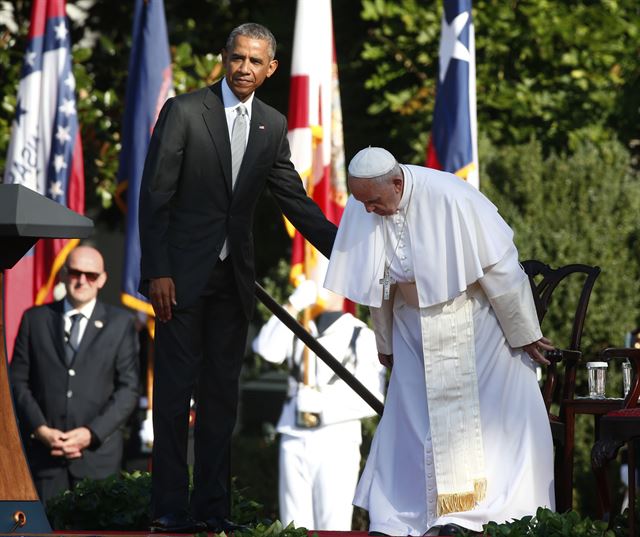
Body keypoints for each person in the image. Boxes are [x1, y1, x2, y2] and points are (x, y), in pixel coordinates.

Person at [138, 23, 337, 534]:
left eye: (256, 62)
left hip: (233, 283)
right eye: (238, 58)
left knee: (222, 398)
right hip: (178, 281)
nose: (245, 68)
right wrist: (156, 270)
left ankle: (212, 512)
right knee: (175, 393)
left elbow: (294, 200)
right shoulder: (184, 111)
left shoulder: (272, 122)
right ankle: (167, 510)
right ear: (225, 58)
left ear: (271, 69)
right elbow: (155, 197)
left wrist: (347, 249)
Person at [324, 147, 555, 536]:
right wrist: (386, 343)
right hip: (412, 329)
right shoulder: (367, 204)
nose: (367, 212)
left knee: (495, 415)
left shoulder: (452, 196)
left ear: (397, 183)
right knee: (412, 421)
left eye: (375, 202)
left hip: (472, 323)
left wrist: (525, 333)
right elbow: (376, 285)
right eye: (361, 202)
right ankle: (408, 517)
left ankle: (483, 515)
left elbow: (501, 270)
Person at [10, 245, 140, 505]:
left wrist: (91, 433)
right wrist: (41, 429)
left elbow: (128, 389)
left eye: (91, 275)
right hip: (44, 459)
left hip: (98, 461)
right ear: (63, 274)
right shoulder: (35, 319)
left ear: (102, 279)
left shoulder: (121, 323)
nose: (82, 281)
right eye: (75, 273)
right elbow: (17, 382)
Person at [252, 279, 386, 530]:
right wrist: (293, 304)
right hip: (294, 435)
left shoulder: (360, 335)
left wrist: (323, 407)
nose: (319, 288)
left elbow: (374, 399)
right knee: (293, 526)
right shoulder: (299, 327)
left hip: (336, 439)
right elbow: (266, 349)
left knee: (332, 525)